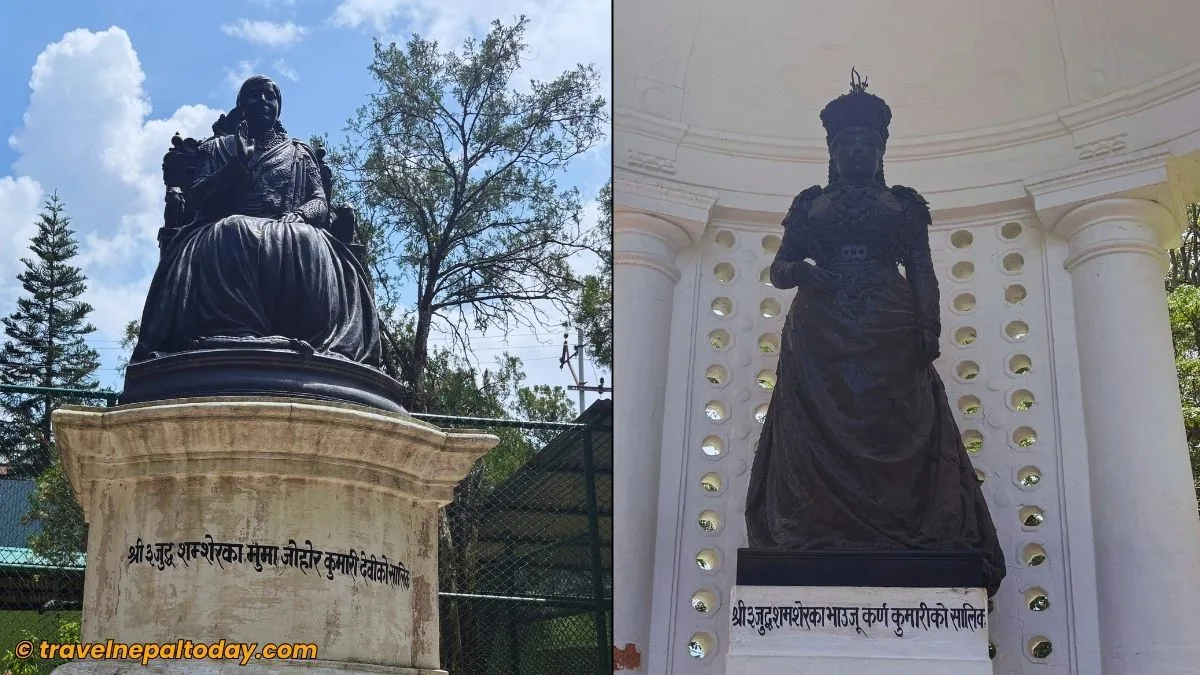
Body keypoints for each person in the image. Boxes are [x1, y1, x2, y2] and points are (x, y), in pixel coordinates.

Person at [744, 72, 1005, 595]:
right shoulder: (809, 204)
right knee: (816, 428)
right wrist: (804, 273)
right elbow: (780, 267)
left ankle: (910, 530)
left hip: (891, 324)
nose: (857, 151)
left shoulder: (903, 204)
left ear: (880, 149)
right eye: (848, 144)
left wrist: (929, 324)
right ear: (833, 151)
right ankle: (817, 527)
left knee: (899, 422)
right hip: (819, 331)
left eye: (867, 143)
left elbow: (922, 268)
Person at [131, 76, 381, 367]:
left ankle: (309, 336)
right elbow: (196, 196)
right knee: (233, 228)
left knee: (307, 239)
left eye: (269, 96)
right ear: (241, 105)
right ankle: (234, 332)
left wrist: (300, 215)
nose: (262, 101)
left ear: (278, 107)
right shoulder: (217, 149)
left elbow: (320, 202)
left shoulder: (300, 153)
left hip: (291, 225)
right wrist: (236, 166)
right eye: (254, 95)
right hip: (223, 227)